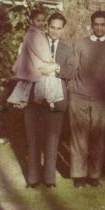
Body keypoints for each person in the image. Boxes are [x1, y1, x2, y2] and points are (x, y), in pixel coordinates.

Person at [22, 12, 76, 188]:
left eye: (59, 28)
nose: (55, 31)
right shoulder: (35, 43)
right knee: (33, 140)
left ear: (63, 29)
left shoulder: (68, 49)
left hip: (57, 98)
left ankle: (49, 179)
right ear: (47, 26)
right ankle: (33, 178)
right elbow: (24, 67)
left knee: (52, 141)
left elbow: (71, 72)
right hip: (34, 98)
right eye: (52, 27)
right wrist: (40, 70)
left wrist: (55, 69)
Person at [68, 10, 105, 188]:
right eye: (95, 24)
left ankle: (94, 174)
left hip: (101, 98)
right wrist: (72, 90)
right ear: (91, 25)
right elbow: (73, 68)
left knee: (98, 137)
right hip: (79, 96)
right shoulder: (80, 43)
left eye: (102, 24)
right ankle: (78, 175)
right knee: (79, 137)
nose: (99, 27)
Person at [8, 9, 63, 109]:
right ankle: (48, 99)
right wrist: (49, 59)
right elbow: (39, 50)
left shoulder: (38, 32)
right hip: (35, 61)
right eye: (38, 20)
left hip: (36, 61)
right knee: (42, 76)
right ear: (31, 21)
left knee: (36, 80)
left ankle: (45, 99)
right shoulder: (33, 34)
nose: (41, 23)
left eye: (43, 20)